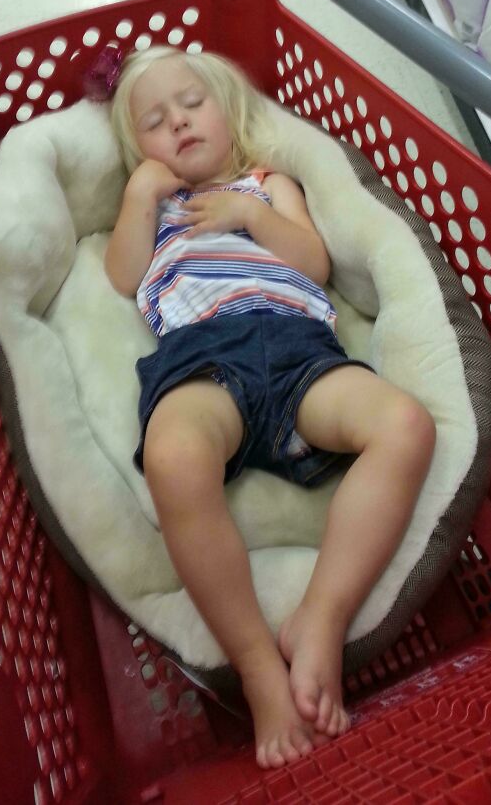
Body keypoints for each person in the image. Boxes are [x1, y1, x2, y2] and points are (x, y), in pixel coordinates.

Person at [105, 46, 436, 770]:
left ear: (230, 110)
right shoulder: (156, 205)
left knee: (405, 424)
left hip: (297, 349)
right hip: (200, 356)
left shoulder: (266, 182)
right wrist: (137, 196)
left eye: (192, 104)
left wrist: (248, 214)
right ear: (142, 151)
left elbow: (313, 264)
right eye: (155, 123)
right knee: (173, 456)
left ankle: (321, 614)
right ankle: (258, 664)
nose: (179, 124)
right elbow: (125, 274)